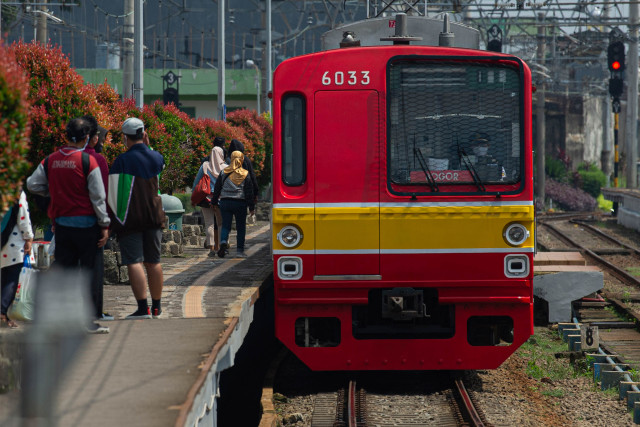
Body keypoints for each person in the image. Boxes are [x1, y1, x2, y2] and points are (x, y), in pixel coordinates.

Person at [26, 117, 110, 334]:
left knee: (66, 272)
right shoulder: (87, 162)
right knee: (88, 273)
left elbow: (32, 184)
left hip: (62, 226)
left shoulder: (50, 160)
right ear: (85, 138)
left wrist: (51, 193)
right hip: (87, 226)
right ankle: (88, 321)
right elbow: (98, 197)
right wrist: (104, 224)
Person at [108, 118, 166, 320]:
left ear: (125, 137)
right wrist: (149, 147)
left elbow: (113, 193)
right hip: (153, 216)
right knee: (154, 261)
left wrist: (112, 221)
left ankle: (143, 309)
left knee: (134, 262)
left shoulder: (121, 161)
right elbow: (160, 165)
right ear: (143, 134)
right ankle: (157, 307)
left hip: (129, 218)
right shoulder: (156, 157)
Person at [82, 115, 113, 322]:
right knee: (94, 270)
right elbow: (103, 194)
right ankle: (94, 312)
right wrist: (105, 223)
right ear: (93, 139)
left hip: (66, 222)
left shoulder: (60, 158)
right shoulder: (97, 160)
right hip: (92, 222)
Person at [211, 150, 256, 258]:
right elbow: (249, 192)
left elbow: (217, 188)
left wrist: (214, 201)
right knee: (241, 227)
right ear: (241, 159)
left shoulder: (224, 172)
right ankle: (240, 251)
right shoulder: (245, 174)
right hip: (240, 203)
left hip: (225, 202)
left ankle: (223, 242)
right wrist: (251, 207)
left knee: (226, 225)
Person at [1, 191, 34, 328]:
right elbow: (23, 216)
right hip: (12, 243)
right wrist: (28, 237)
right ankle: (2, 313)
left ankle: (5, 316)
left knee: (4, 278)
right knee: (12, 279)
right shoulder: (14, 191)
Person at [193, 146, 226, 256]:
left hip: (206, 199)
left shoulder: (205, 166)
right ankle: (221, 247)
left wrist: (193, 197)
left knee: (209, 224)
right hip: (220, 199)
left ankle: (211, 248)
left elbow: (196, 182)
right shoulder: (225, 167)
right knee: (221, 223)